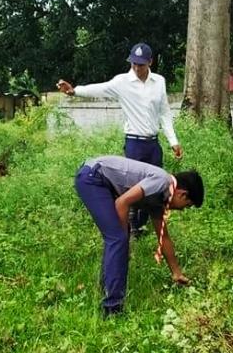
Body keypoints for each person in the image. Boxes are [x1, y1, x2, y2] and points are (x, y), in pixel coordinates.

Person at [57, 43, 182, 231]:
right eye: (133, 64)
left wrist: (173, 141)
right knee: (132, 186)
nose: (136, 68)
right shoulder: (122, 82)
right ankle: (131, 225)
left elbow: (164, 112)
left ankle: (144, 222)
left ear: (150, 62)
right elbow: (100, 89)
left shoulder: (159, 82)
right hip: (134, 143)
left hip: (153, 144)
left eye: (140, 64)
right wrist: (75, 91)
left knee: (155, 185)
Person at [74, 155, 204, 315]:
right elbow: (122, 202)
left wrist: (176, 272)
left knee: (118, 240)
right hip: (93, 178)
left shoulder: (160, 199)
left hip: (99, 180)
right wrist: (124, 243)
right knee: (118, 240)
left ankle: (106, 292)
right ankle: (113, 309)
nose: (183, 209)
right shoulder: (162, 181)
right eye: (187, 205)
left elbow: (164, 238)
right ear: (182, 194)